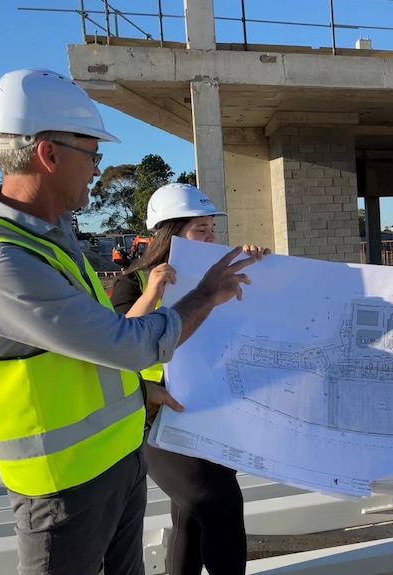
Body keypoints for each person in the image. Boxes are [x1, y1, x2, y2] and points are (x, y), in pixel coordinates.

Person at [0, 68, 261, 575]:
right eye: (92, 154)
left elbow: (77, 352)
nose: (97, 169)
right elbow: (125, 343)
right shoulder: (4, 262)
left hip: (120, 457)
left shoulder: (53, 236)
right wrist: (205, 294)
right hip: (62, 487)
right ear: (49, 155)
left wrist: (137, 396)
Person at [110, 183, 270, 575]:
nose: (212, 238)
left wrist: (259, 266)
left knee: (190, 518)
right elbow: (116, 343)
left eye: (213, 229)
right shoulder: (133, 282)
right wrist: (152, 292)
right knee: (220, 505)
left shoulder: (218, 277)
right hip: (155, 421)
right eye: (201, 229)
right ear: (171, 233)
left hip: (208, 413)